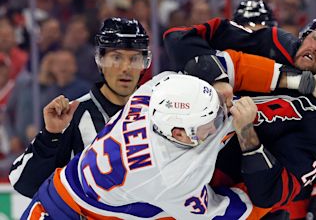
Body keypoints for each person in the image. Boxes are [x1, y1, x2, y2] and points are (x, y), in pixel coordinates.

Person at [163, 13, 316, 219]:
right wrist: (217, 79)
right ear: (304, 35)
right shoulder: (273, 42)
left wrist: (247, 134)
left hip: (226, 203)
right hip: (178, 161)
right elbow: (178, 38)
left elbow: (269, 193)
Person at [21, 72, 268, 219]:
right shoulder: (170, 177)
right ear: (179, 133)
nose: (215, 126)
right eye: (206, 125)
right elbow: (225, 214)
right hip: (83, 211)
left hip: (60, 190)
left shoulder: (152, 92)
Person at [9, 17, 152, 198]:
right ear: (100, 60)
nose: (126, 68)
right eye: (116, 57)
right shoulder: (72, 115)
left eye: (134, 59)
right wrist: (50, 136)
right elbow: (24, 184)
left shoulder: (157, 113)